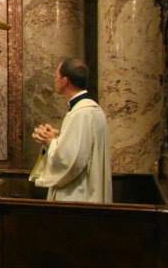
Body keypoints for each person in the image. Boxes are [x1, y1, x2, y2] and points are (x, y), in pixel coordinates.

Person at [30, 58, 112, 203]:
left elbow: (70, 161)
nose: (55, 80)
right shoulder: (92, 109)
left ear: (65, 81)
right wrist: (58, 136)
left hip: (78, 194)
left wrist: (49, 141)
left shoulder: (81, 113)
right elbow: (82, 146)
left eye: (56, 76)